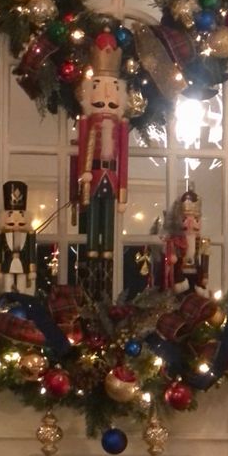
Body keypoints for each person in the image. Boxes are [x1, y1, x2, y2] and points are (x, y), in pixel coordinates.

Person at [70, 30, 128, 300]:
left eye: (111, 86)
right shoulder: (87, 122)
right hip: (92, 175)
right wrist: (81, 175)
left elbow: (124, 158)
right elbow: (82, 148)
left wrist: (124, 192)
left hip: (112, 177)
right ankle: (91, 272)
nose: (106, 93)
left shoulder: (120, 125)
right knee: (92, 224)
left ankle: (106, 273)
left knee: (109, 227)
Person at [0, 180, 37, 294]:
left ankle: (22, 301)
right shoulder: (1, 234)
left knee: (22, 287)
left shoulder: (29, 235)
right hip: (8, 264)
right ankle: (8, 301)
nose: (17, 220)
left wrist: (32, 269)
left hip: (23, 264)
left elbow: (31, 252)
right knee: (8, 286)